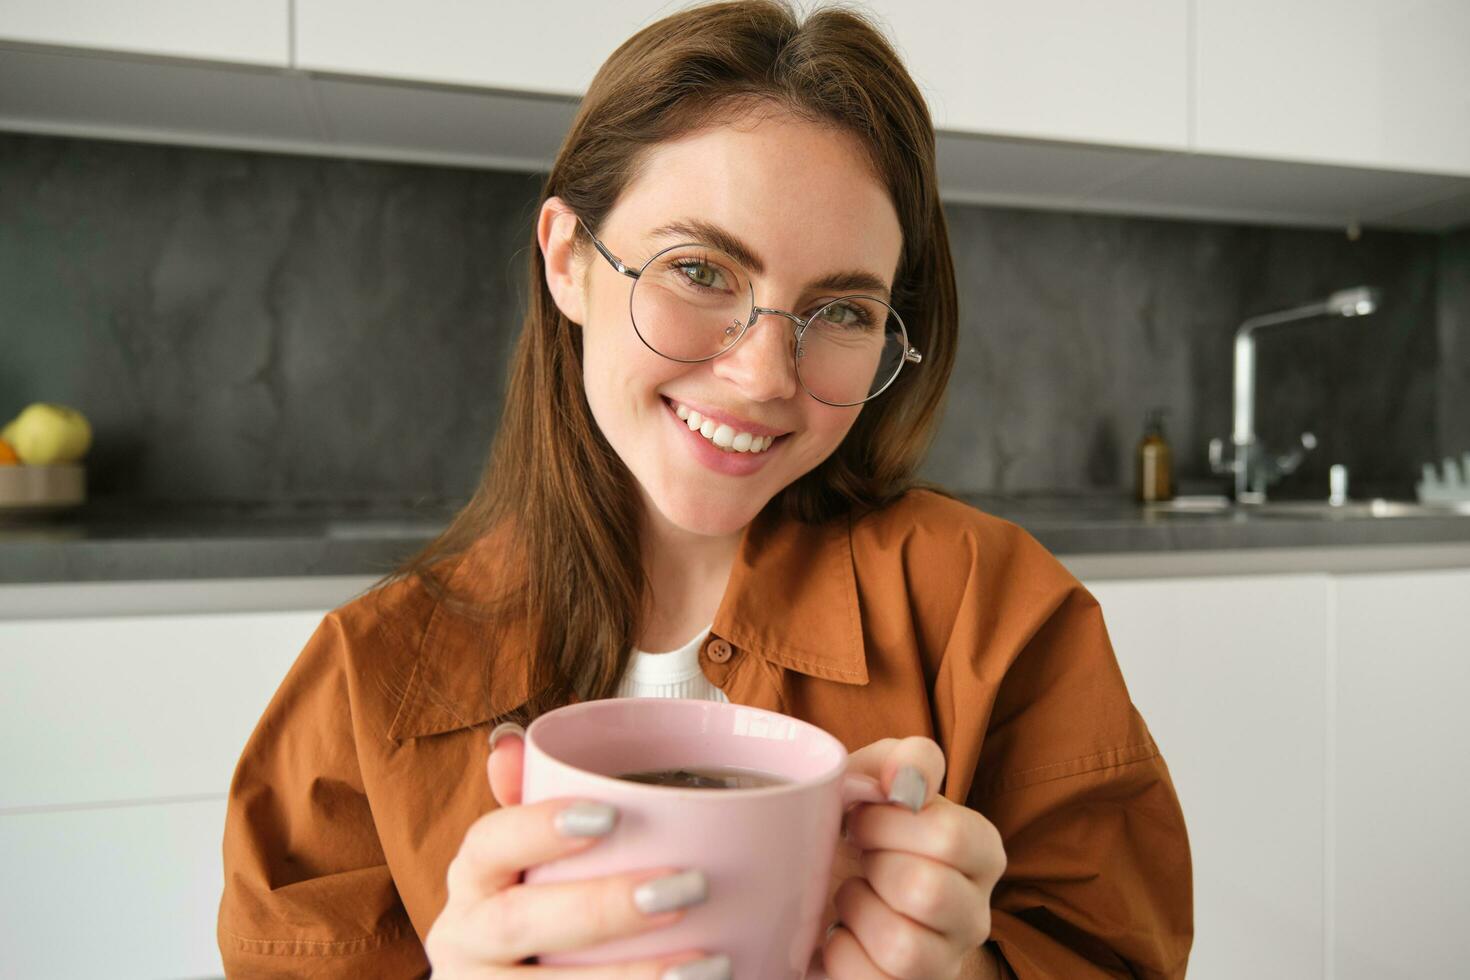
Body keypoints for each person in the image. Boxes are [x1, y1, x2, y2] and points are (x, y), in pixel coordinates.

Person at [217, 2, 1193, 977]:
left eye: (843, 308)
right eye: (699, 269)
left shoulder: (999, 611)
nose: (767, 374)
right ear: (567, 260)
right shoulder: (363, 684)